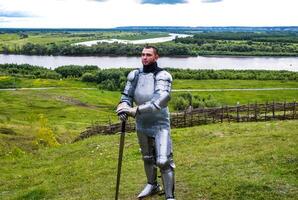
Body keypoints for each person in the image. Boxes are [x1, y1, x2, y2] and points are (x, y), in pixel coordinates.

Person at [116, 45, 175, 200]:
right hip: (142, 124)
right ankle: (152, 184)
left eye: (148, 54)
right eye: (142, 54)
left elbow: (159, 102)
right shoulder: (135, 75)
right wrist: (123, 108)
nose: (144, 57)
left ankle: (170, 196)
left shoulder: (163, 76)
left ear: (156, 57)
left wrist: (134, 111)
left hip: (160, 124)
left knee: (163, 160)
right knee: (147, 157)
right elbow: (126, 96)